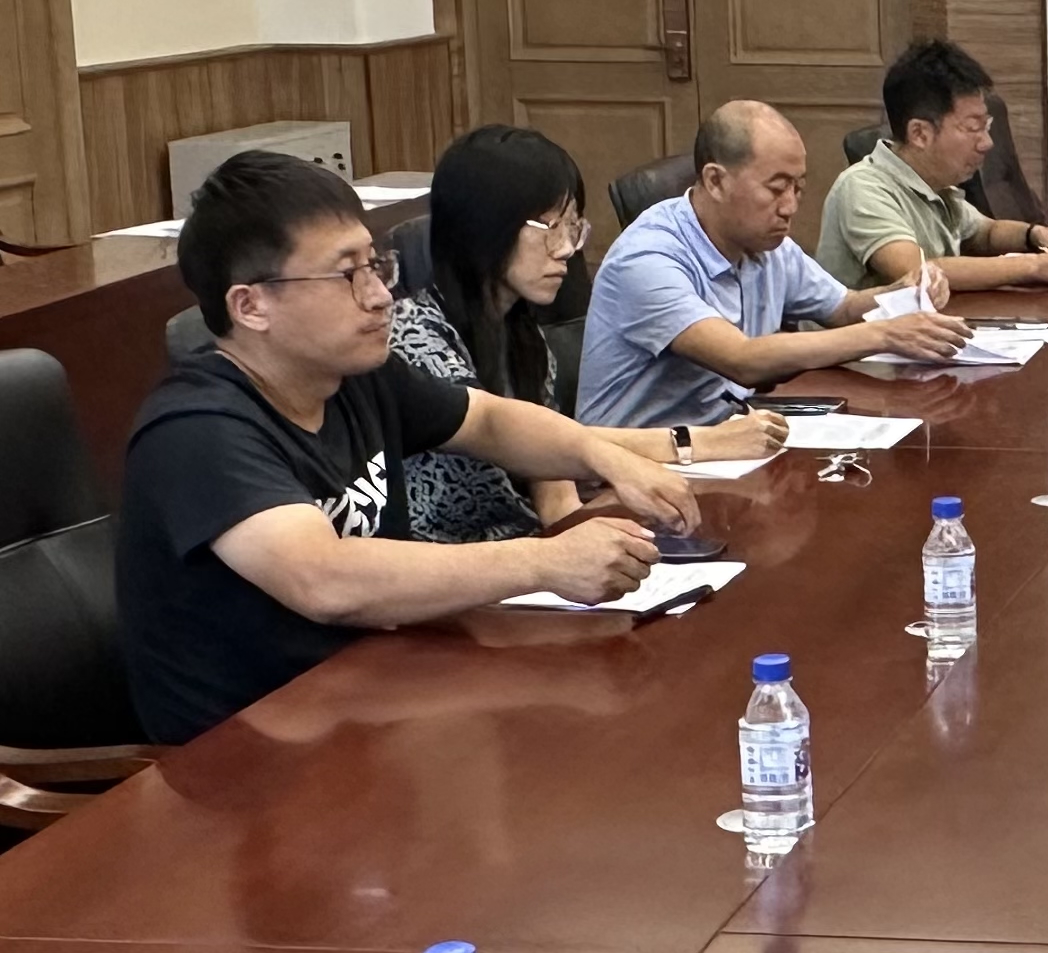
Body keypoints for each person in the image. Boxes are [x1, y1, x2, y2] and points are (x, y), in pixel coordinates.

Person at [118, 152, 698, 743]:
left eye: (376, 267)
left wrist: (606, 457)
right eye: (347, 276)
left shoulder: (353, 376)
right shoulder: (196, 429)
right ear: (251, 306)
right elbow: (323, 579)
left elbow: (488, 420)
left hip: (376, 695)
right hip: (247, 755)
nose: (379, 297)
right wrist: (544, 562)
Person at [391, 124, 785, 542]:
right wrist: (695, 443)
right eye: (551, 228)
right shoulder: (415, 337)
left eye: (573, 227)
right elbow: (515, 436)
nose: (566, 249)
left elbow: (555, 493)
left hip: (527, 553)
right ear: (483, 227)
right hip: (449, 561)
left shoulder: (521, 335)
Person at [577, 100, 971, 433]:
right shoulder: (648, 258)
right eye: (777, 188)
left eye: (798, 188)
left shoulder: (765, 244)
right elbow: (741, 359)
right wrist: (885, 334)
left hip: (730, 436)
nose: (790, 206)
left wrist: (901, 291)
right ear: (715, 181)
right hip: (638, 465)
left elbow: (843, 308)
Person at [814, 38, 1048, 293]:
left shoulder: (936, 184)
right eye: (973, 128)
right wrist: (1036, 266)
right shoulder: (863, 187)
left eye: (986, 125)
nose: (987, 142)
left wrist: (1036, 235)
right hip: (864, 337)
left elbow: (986, 233)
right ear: (920, 134)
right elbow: (918, 272)